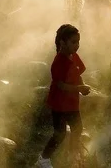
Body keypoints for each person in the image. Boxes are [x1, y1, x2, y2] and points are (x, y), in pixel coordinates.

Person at [36, 24, 90, 168]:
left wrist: (82, 87)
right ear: (62, 42)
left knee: (77, 129)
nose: (77, 45)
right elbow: (60, 86)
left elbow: (78, 73)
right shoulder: (59, 61)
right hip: (59, 104)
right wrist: (79, 88)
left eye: (78, 42)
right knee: (59, 134)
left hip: (72, 103)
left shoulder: (74, 55)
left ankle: (73, 154)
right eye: (73, 42)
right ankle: (43, 158)